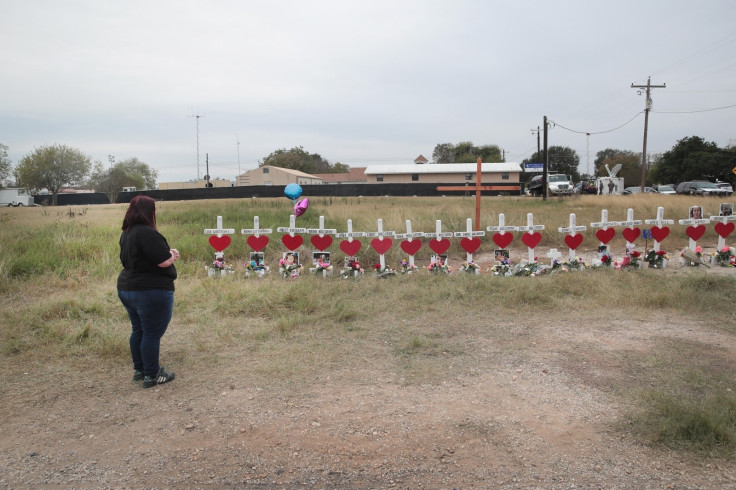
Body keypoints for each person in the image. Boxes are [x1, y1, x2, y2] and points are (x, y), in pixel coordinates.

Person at [117, 196, 178, 388]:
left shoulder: (127, 232)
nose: (155, 213)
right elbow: (163, 261)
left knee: (139, 330)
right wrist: (173, 255)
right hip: (150, 290)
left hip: (127, 288)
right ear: (148, 212)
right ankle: (152, 375)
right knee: (151, 333)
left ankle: (140, 370)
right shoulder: (148, 233)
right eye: (154, 209)